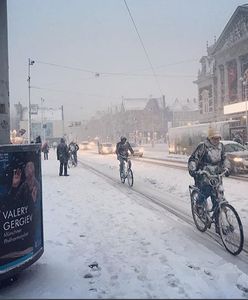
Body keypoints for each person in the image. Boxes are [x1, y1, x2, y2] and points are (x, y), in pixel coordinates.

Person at [188, 127, 231, 233]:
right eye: (214, 138)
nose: (216, 140)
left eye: (218, 138)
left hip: (216, 176)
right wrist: (194, 170)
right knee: (205, 193)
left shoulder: (221, 147)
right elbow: (193, 159)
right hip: (204, 176)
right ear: (210, 138)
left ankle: (218, 226)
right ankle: (199, 206)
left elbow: (225, 158)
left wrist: (227, 167)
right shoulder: (202, 147)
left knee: (218, 199)